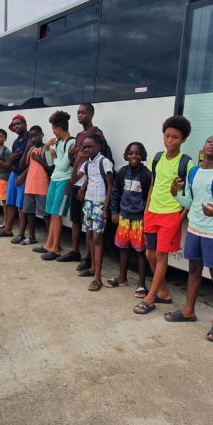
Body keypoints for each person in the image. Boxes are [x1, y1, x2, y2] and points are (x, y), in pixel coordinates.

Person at [165, 134, 213, 343]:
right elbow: (191, 202)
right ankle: (188, 311)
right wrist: (175, 195)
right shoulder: (193, 172)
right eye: (210, 141)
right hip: (194, 228)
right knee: (193, 270)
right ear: (203, 146)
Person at [133, 115, 193, 315]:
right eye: (167, 136)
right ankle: (164, 292)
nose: (170, 140)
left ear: (183, 139)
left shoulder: (186, 163)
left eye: (175, 137)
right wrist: (146, 209)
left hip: (171, 214)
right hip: (152, 212)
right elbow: (153, 184)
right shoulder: (157, 158)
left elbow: (191, 193)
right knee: (149, 253)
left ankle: (150, 298)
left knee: (160, 255)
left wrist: (181, 217)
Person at [61, 103, 110, 269]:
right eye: (78, 113)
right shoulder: (79, 135)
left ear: (91, 114)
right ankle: (75, 251)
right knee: (76, 219)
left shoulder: (97, 134)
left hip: (89, 185)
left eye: (83, 112)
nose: (79, 115)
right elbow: (75, 158)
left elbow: (98, 161)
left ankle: (89, 258)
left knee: (89, 226)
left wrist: (85, 184)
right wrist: (72, 155)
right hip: (78, 180)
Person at [107, 142, 151, 297]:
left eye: (137, 153)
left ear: (142, 155)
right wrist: (114, 211)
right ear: (126, 155)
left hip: (139, 219)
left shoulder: (146, 175)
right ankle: (122, 277)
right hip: (124, 217)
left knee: (140, 252)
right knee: (123, 248)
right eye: (131, 153)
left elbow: (149, 197)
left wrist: (146, 216)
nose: (134, 156)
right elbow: (115, 192)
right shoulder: (122, 172)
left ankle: (141, 284)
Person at [74, 135, 115, 292]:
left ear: (98, 146)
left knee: (97, 238)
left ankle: (97, 277)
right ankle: (92, 268)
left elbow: (110, 185)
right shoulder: (87, 163)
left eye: (89, 146)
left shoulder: (104, 162)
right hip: (88, 203)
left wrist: (106, 208)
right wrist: (78, 160)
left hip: (99, 204)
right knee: (90, 235)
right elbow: (77, 178)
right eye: (84, 147)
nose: (86, 149)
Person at [41, 110, 76, 261]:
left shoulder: (71, 142)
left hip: (64, 180)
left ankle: (55, 247)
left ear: (58, 129)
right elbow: (51, 164)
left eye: (53, 129)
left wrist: (54, 155)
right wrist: (48, 149)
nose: (53, 133)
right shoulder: (59, 142)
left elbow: (62, 166)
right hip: (55, 179)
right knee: (51, 212)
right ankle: (49, 244)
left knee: (56, 214)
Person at [1, 114, 28, 239]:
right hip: (14, 173)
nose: (16, 126)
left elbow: (33, 162)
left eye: (18, 123)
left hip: (24, 175)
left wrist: (23, 176)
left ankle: (21, 234)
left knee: (21, 206)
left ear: (25, 124)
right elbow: (11, 162)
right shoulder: (16, 142)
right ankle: (7, 229)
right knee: (10, 202)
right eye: (14, 125)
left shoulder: (30, 139)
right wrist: (11, 159)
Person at [21, 125, 49, 248]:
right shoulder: (31, 149)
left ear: (42, 135)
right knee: (29, 212)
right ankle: (32, 237)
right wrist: (26, 150)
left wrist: (38, 159)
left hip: (42, 186)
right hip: (30, 186)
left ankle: (50, 241)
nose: (33, 138)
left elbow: (51, 169)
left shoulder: (46, 149)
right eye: (31, 137)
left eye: (35, 136)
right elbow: (22, 165)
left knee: (45, 214)